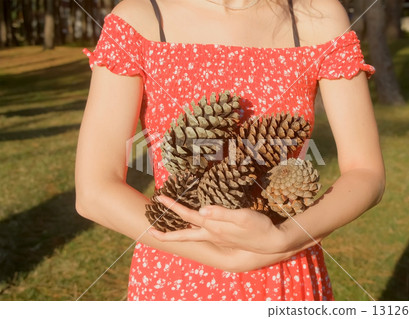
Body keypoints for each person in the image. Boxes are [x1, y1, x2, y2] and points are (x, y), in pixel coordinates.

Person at [76, 0, 385, 301]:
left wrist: (284, 238)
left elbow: (366, 173)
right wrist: (227, 259)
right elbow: (95, 191)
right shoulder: (141, 17)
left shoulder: (316, 15)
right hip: (176, 272)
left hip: (285, 273)